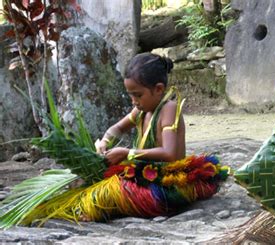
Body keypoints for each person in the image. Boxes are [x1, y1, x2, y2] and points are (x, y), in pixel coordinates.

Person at [22, 53, 228, 224]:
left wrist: (127, 153)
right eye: (130, 95)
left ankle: (98, 209)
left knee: (112, 191)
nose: (134, 101)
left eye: (138, 95)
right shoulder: (141, 110)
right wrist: (105, 141)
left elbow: (170, 153)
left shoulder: (169, 109)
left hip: (168, 182)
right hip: (145, 174)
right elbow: (117, 128)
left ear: (158, 89)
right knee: (84, 180)